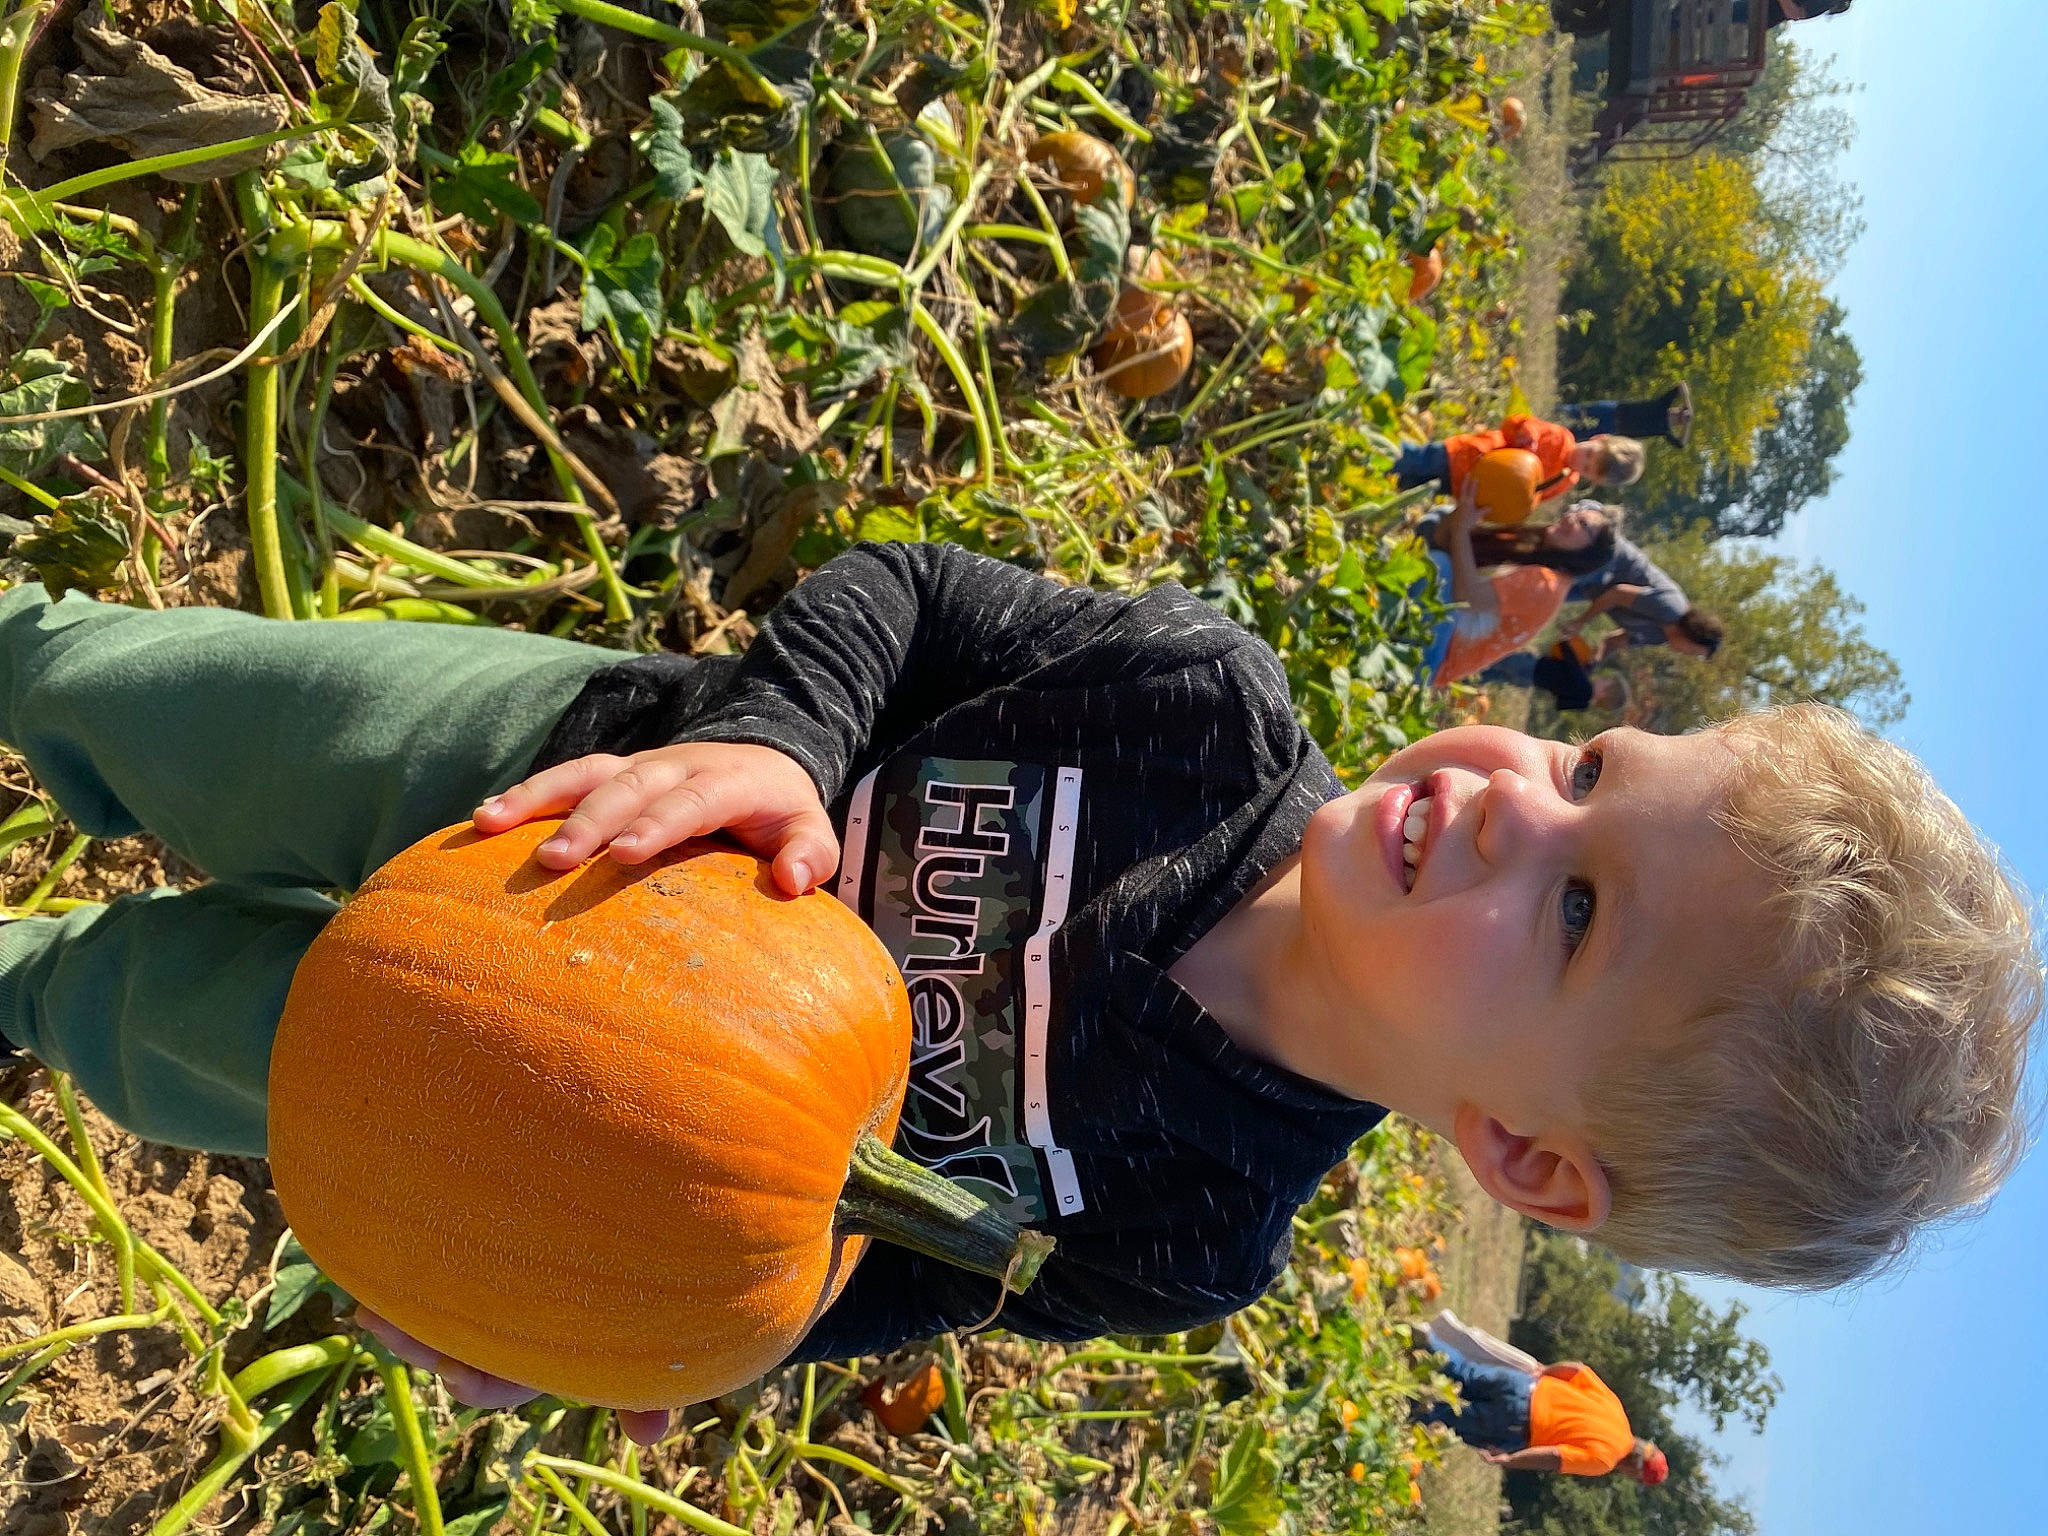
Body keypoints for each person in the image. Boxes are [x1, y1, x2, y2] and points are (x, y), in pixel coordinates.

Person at [0, 542, 2037, 1444]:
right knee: (148, 698)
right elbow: (903, 595)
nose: (1512, 796)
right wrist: (781, 744)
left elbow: (871, 1282)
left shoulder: (1188, 1232)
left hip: (492, 1105)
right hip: (556, 783)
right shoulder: (1201, 708)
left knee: (141, 1027)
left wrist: (610, 1322)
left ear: (1523, 1154)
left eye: (1577, 911)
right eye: (1589, 766)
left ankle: (29, 982)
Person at [1412, 1317, 1668, 1484]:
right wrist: (1510, 1460)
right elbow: (1554, 1456)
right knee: (1446, 1419)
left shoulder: (1617, 1411)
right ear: (1634, 1471)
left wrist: (1545, 1370)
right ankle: (1407, 1407)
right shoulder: (1604, 1461)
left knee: (1462, 1370)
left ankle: (1428, 1341)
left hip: (1524, 1384)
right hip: (1516, 1424)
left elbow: (1578, 1369)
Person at [1419, 491, 1615, 686]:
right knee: (1446, 515)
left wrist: (1460, 530)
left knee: (1439, 565)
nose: (1570, 518)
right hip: (1442, 630)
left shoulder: (1546, 584)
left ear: (1589, 553)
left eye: (1583, 524)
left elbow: (1466, 596)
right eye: (1575, 511)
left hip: (1432, 660)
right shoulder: (1538, 554)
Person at [1392, 413, 1645, 508]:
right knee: (1414, 458)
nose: (1581, 461)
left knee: (1411, 486)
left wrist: (1513, 503)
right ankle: (1374, 449)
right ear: (1599, 438)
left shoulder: (1564, 482)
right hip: (1468, 454)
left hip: (1470, 485)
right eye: (1590, 453)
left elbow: (1530, 498)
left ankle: (1377, 475)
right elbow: (1517, 422)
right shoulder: (1560, 437)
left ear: (1592, 479)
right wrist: (1527, 434)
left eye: (1588, 469)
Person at [1561, 530, 1726, 661]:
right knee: (1549, 585)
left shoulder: (1658, 638)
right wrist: (1580, 622)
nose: (1686, 654)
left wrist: (1592, 663)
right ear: (1692, 634)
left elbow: (1613, 642)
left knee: (1548, 597)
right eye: (1692, 651)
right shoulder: (1671, 608)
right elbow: (1617, 593)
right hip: (1604, 559)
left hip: (1594, 589)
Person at [1479, 645, 1631, 716]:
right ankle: (1468, 679)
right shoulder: (1582, 703)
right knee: (1490, 675)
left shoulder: (1584, 685)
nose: (1601, 678)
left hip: (1533, 667)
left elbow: (1571, 664)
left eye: (1605, 680)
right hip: (1530, 681)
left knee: (1492, 657)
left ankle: (1468, 661)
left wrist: (1565, 644)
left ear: (1604, 693)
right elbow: (1560, 704)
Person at [1554, 382, 1692, 448]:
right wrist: (1688, 405)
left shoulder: (1663, 429)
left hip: (1613, 428)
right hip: (1615, 409)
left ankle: (1554, 433)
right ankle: (1552, 412)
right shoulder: (1663, 404)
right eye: (1679, 410)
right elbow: (1681, 386)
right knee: (1578, 411)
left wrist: (1687, 425)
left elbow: (1681, 444)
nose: (1676, 411)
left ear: (1678, 422)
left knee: (1576, 434)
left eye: (1678, 415)